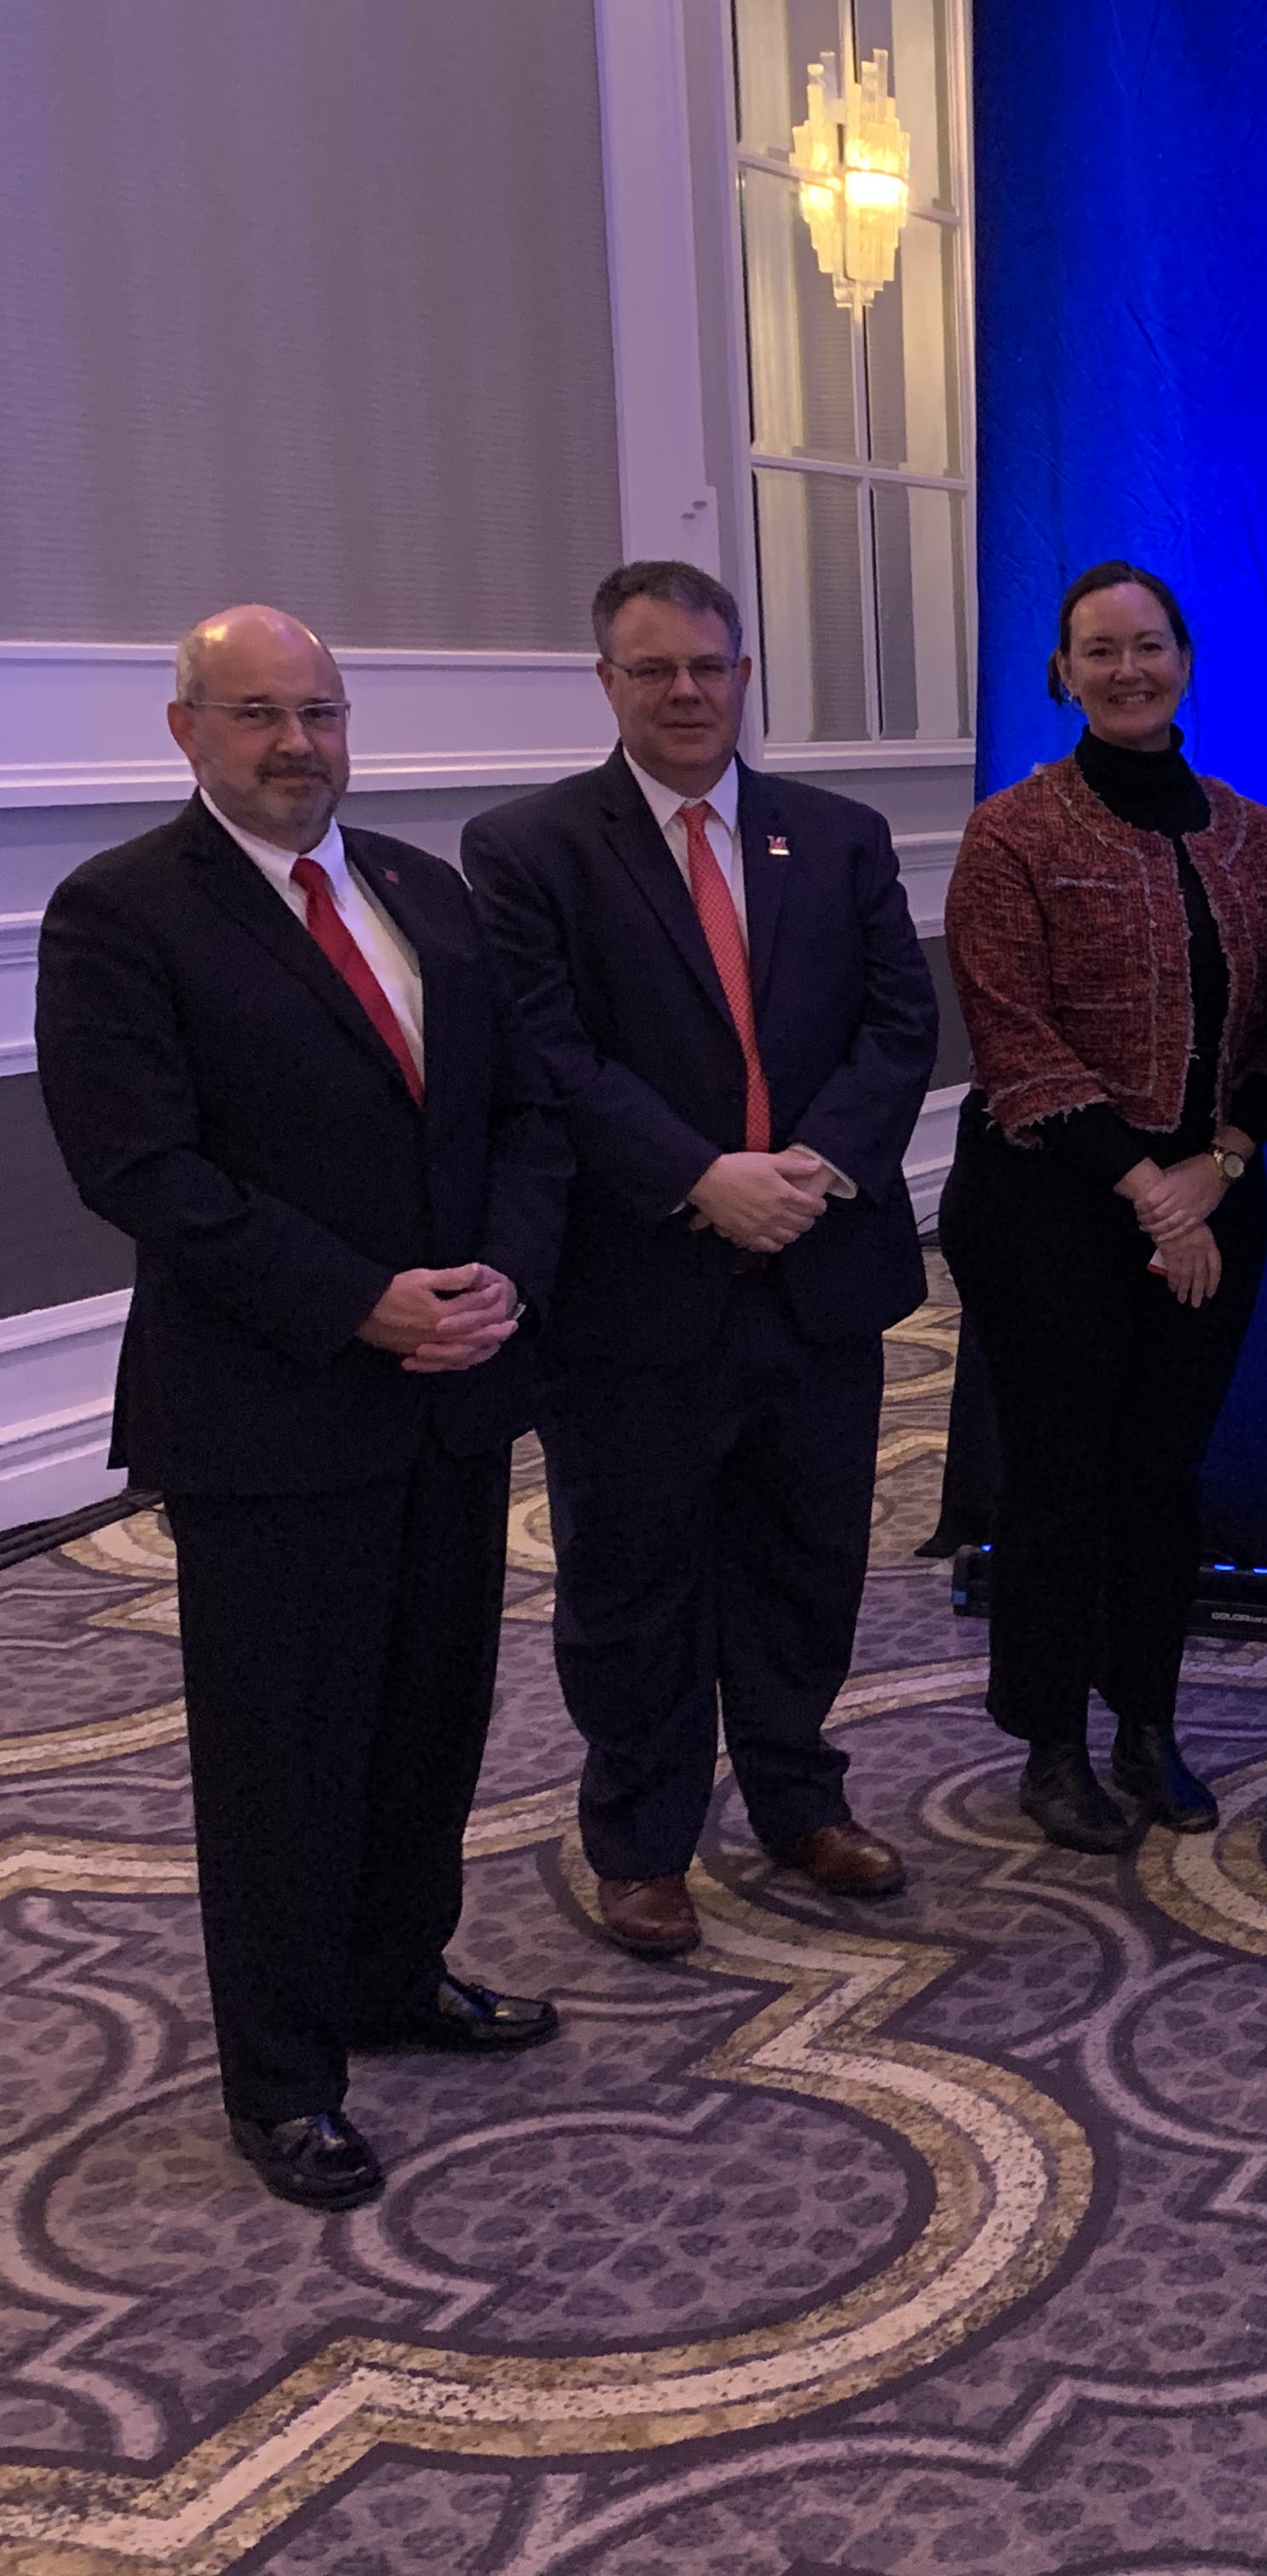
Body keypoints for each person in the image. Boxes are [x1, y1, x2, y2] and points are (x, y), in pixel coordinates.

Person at [34, 607, 571, 2207]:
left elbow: (523, 1113)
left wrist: (503, 1279)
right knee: (284, 1753)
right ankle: (283, 2077)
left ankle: (397, 1976)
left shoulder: (421, 890)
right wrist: (360, 1301)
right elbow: (141, 1169)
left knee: (428, 1716)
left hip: (455, 1394)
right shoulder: (120, 912)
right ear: (187, 730)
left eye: (320, 714)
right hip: (273, 1413)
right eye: (258, 714)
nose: (297, 745)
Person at [463, 561, 937, 1962]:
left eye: (709, 667)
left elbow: (899, 1029)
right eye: (653, 669)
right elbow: (547, 1051)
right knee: (633, 1577)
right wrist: (699, 1179)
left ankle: (799, 1798)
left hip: (818, 1273)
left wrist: (808, 1174)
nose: (686, 692)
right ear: (605, 682)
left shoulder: (838, 836)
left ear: (744, 675)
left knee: (807, 1559)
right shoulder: (528, 848)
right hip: (635, 1289)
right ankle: (642, 1839)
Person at [937, 564, 1267, 1852]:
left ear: (1186, 659)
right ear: (1061, 673)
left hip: (1212, 1201)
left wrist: (1224, 1163)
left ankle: (1147, 1720)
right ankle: (1050, 1742)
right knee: (1058, 1482)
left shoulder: (1256, 834)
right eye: (1099, 650)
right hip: (1049, 1212)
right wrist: (1154, 1195)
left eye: (1149, 646)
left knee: (1162, 1479)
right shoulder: (1012, 832)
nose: (1127, 670)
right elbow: (1013, 1037)